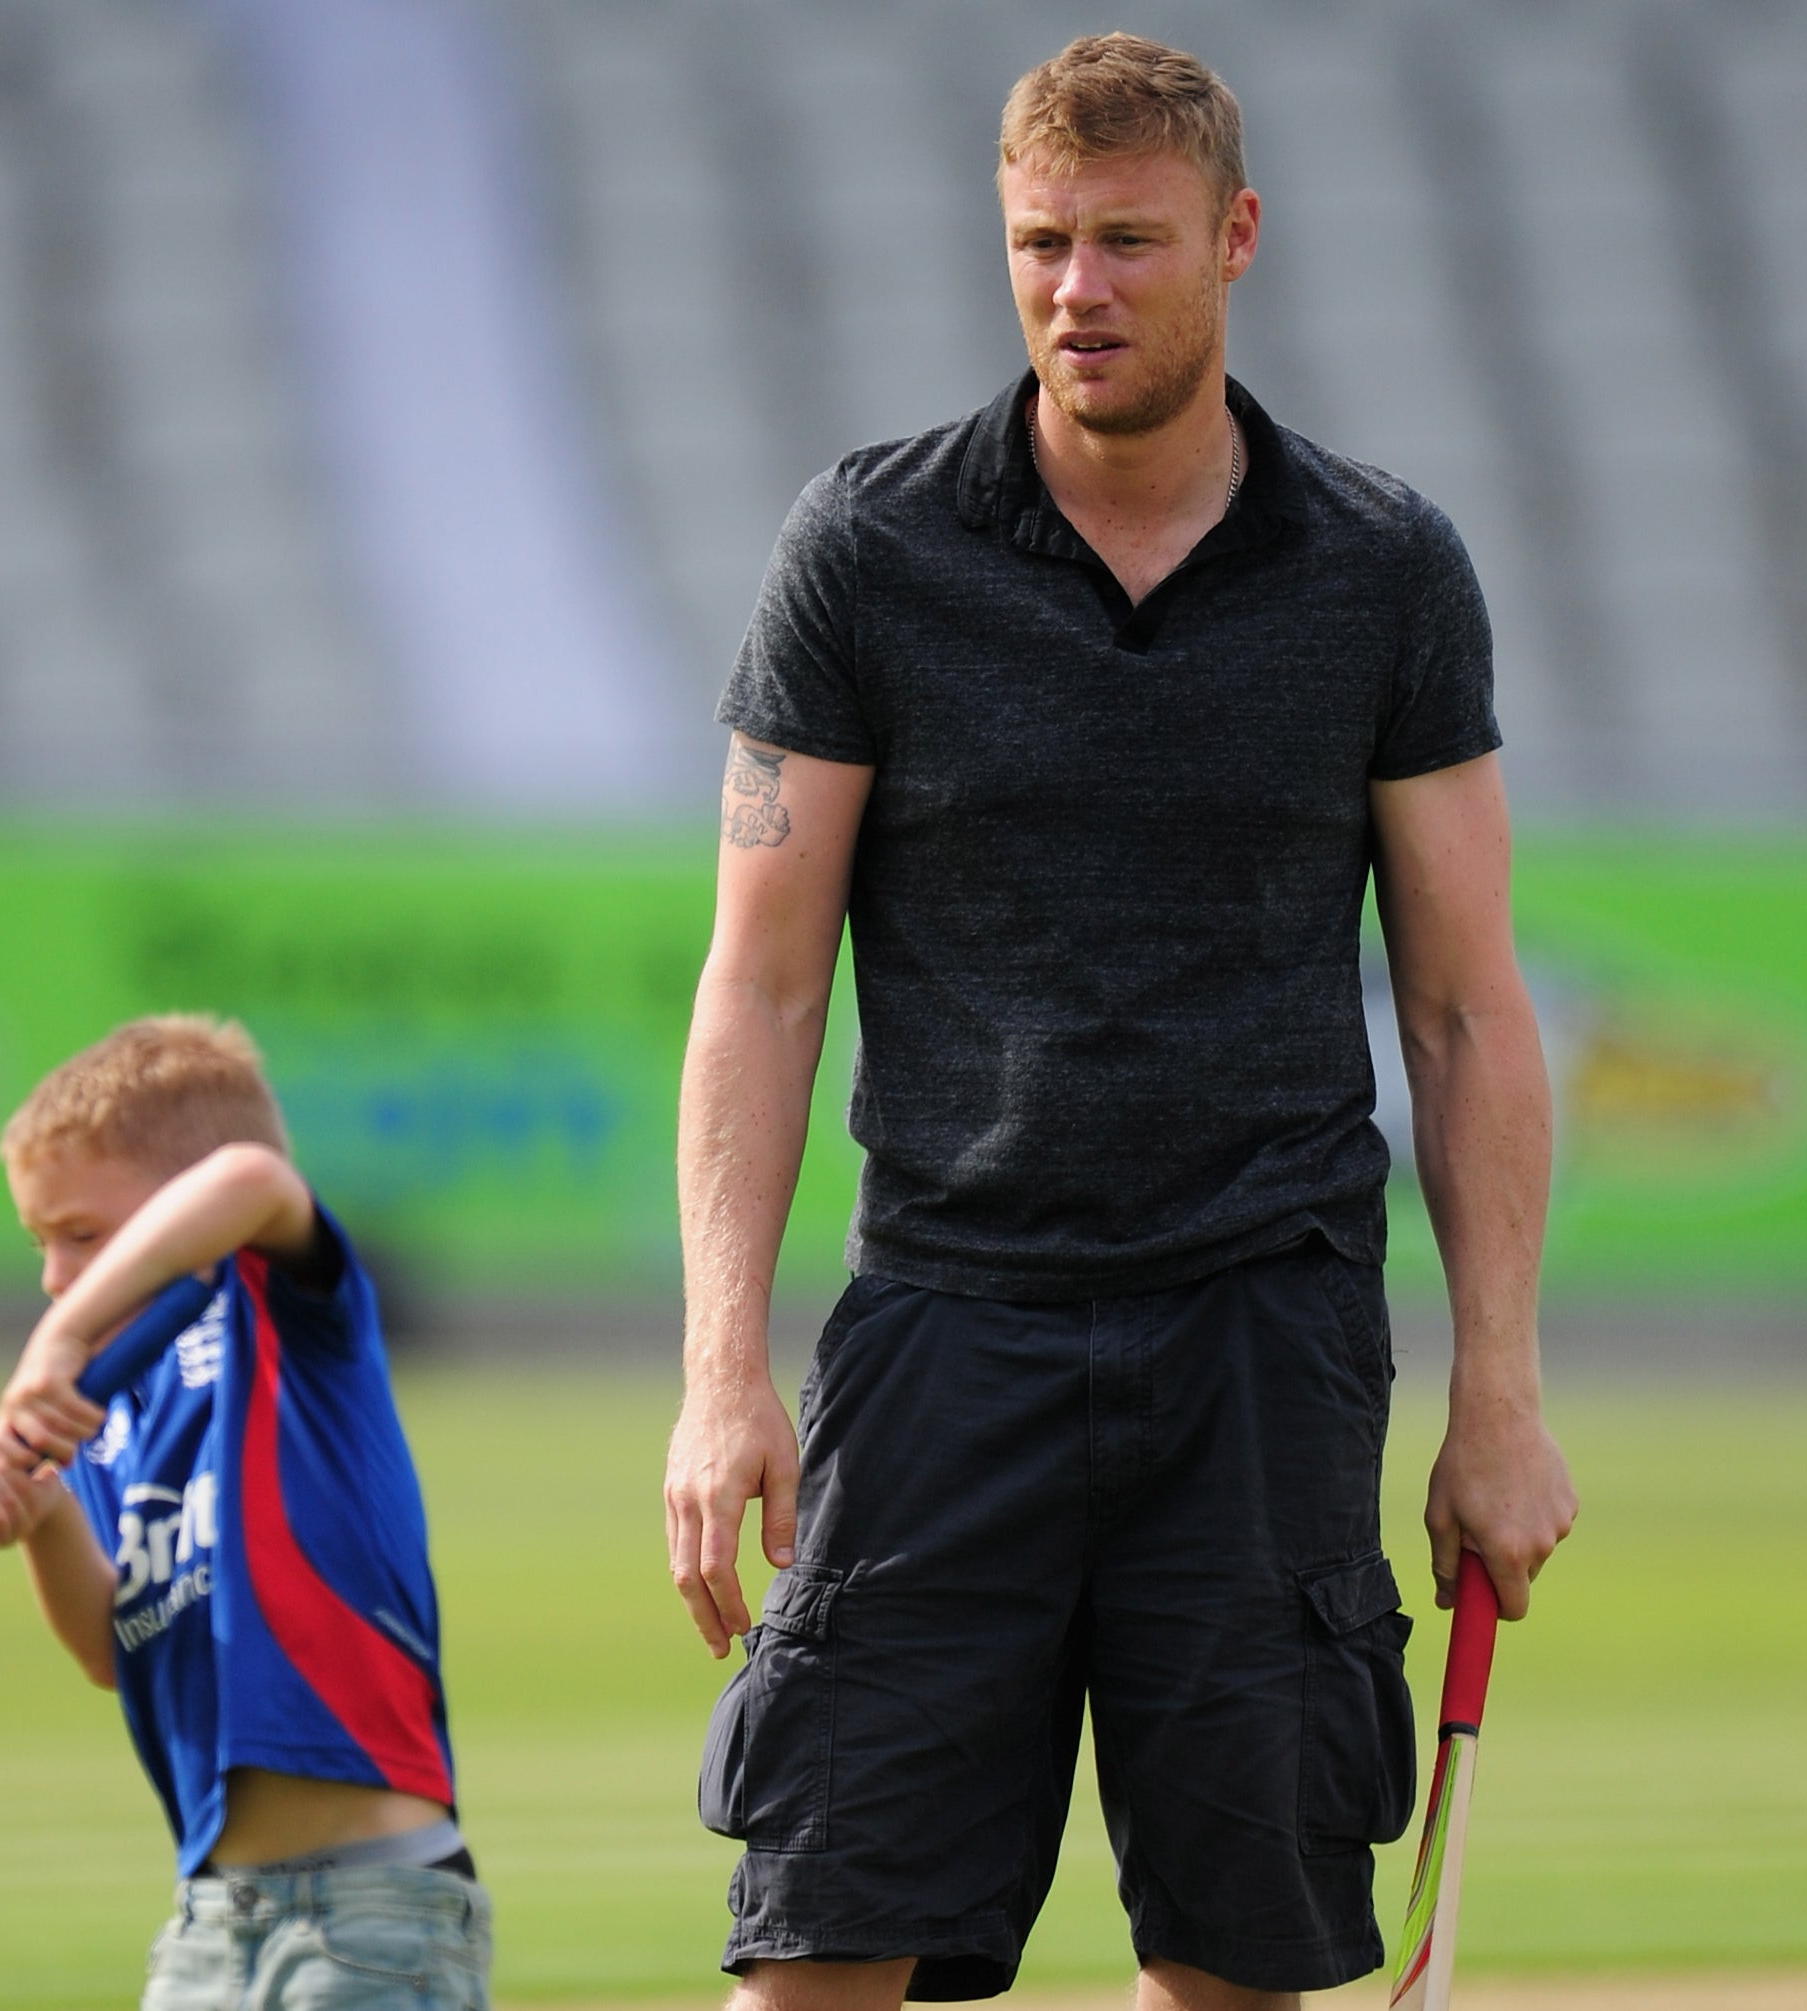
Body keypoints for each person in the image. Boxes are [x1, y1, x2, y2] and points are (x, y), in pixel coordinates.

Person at [664, 33, 1578, 2011]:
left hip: (1263, 1324)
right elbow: (755, 973)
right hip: (940, 1320)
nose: (1076, 289)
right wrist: (718, 1366)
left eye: (1125, 243)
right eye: (1039, 244)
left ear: (1232, 239)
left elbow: (1461, 1004)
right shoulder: (863, 547)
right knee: (810, 1945)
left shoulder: (1381, 569)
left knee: (1230, 1966)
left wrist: (1494, 1393)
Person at [0, 1014, 490, 2009]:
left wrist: (55, 1340)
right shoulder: (104, 1420)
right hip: (206, 1921)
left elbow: (253, 1181)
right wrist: (43, 1517)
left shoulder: (278, 1306)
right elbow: (113, 1648)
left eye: (82, 1234)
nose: (55, 1277)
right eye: (40, 1244)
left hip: (370, 1915)